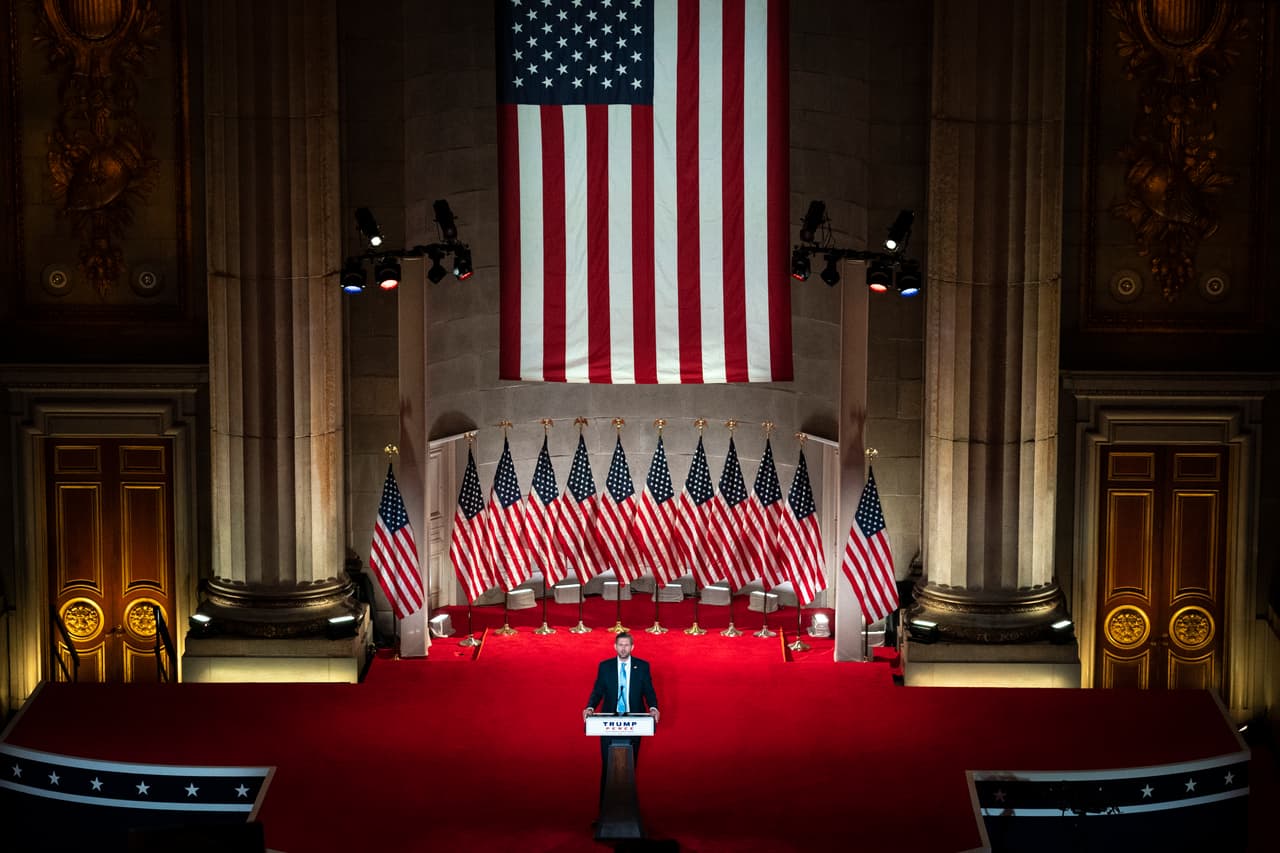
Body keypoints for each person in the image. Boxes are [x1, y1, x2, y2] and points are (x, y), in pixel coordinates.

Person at [583, 632, 659, 803]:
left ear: (632, 647)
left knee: (630, 764)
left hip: (635, 721)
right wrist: (590, 707)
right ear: (615, 647)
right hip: (608, 721)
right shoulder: (605, 666)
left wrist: (653, 708)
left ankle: (627, 806)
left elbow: (649, 691)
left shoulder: (642, 666)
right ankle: (605, 807)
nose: (623, 648)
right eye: (620, 645)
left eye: (626, 645)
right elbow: (598, 690)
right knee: (608, 765)